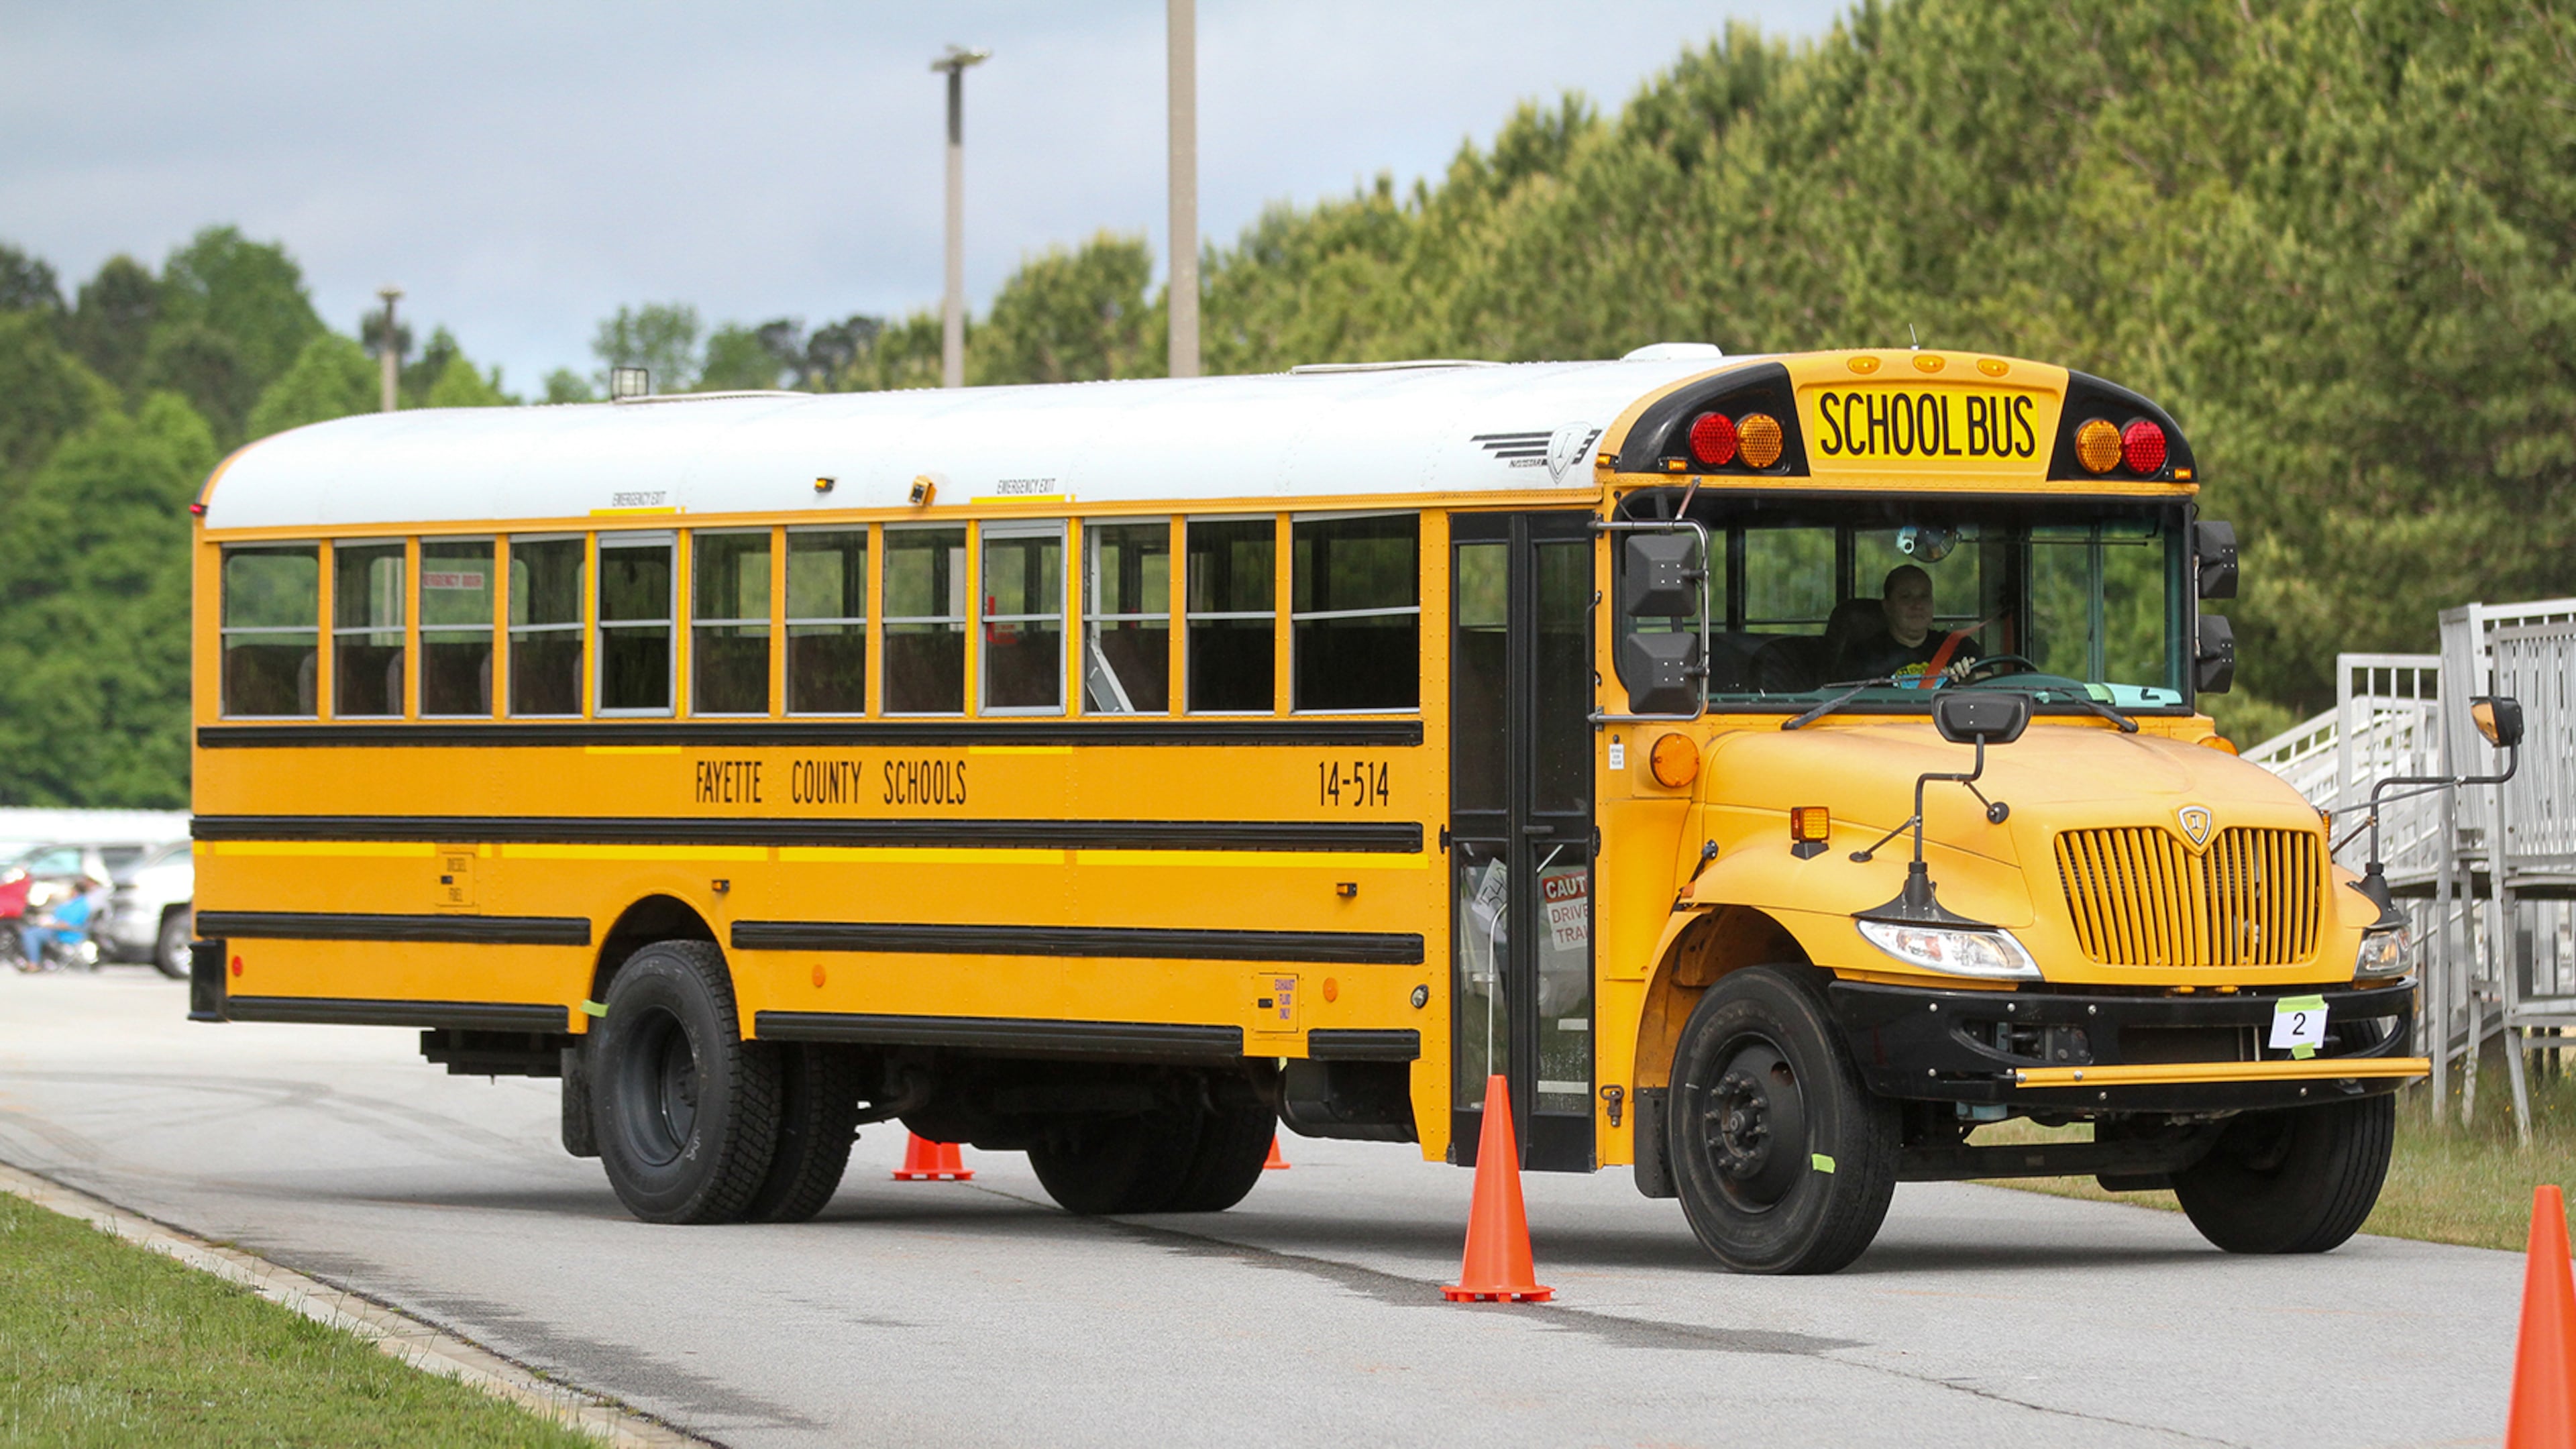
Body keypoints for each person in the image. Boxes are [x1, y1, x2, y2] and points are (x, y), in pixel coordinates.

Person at [1833, 564, 1979, 684]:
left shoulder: (1959, 647)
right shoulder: (1860, 657)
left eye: (1924, 596)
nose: (1917, 605)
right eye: (1906, 597)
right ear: (1887, 607)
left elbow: (1990, 686)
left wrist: (1970, 681)